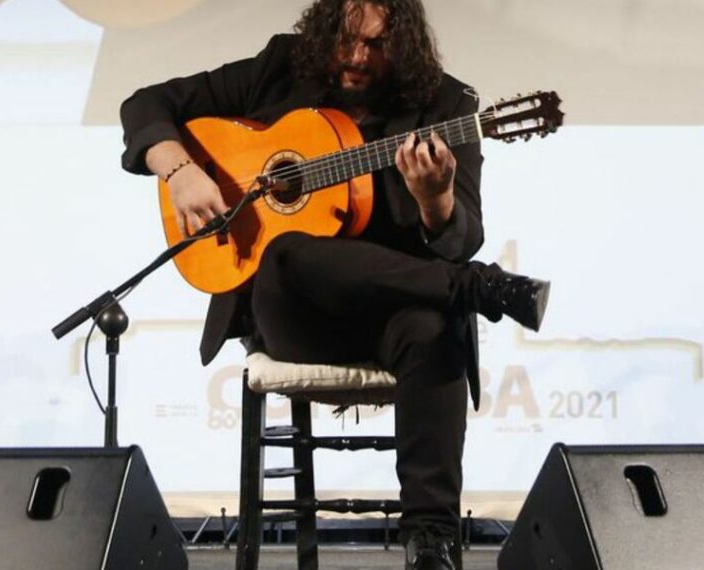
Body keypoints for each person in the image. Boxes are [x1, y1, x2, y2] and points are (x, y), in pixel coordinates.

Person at [119, 1, 548, 568]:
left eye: (375, 44)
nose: (355, 57)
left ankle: (431, 543)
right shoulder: (282, 66)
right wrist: (179, 169)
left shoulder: (448, 106)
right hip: (294, 314)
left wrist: (434, 200)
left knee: (434, 330)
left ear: (406, 43)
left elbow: (461, 232)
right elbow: (146, 104)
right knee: (289, 253)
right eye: (347, 40)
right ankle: (477, 289)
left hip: (394, 318)